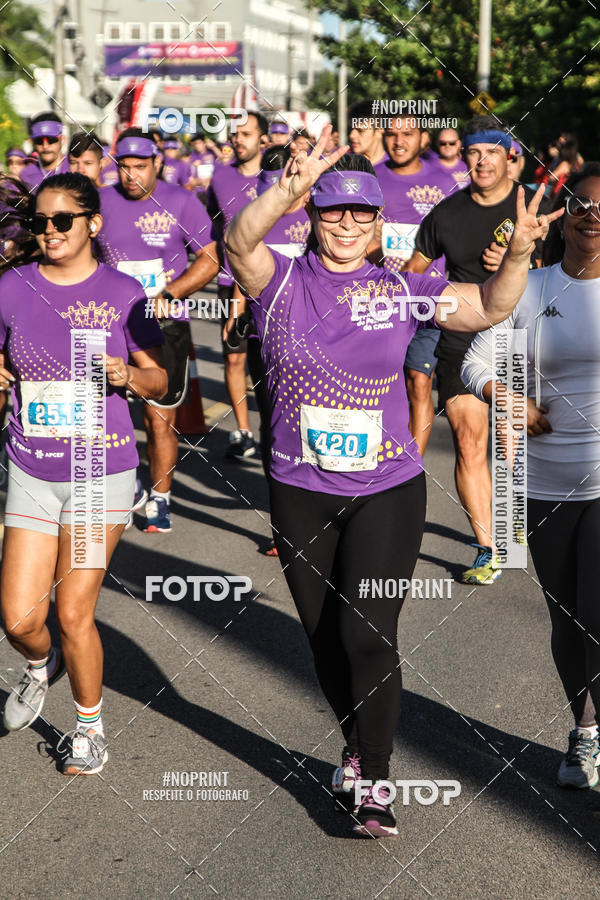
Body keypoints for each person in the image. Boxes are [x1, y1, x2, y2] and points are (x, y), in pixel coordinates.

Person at [225, 126, 556, 837]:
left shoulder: (404, 290)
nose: (346, 224)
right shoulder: (279, 281)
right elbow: (237, 246)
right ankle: (354, 745)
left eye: (361, 214)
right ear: (314, 220)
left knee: (366, 632)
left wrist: (521, 253)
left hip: (386, 489)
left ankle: (373, 777)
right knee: (321, 639)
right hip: (299, 486)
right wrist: (285, 189)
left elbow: (491, 306)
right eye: (332, 212)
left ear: (380, 225)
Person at [0, 172, 166, 774]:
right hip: (29, 467)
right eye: (40, 222)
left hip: (102, 469)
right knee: (20, 618)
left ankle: (89, 731)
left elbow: (160, 380)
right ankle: (40, 666)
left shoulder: (123, 292)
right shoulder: (11, 288)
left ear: (92, 224)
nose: (48, 231)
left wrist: (129, 377)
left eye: (62, 220)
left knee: (72, 611)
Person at [460, 164, 600, 790]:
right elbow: (475, 357)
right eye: (580, 205)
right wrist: (508, 397)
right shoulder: (531, 287)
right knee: (567, 617)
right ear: (560, 219)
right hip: (537, 482)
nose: (592, 215)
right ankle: (585, 734)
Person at [404, 115, 551, 584]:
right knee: (470, 442)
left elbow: (576, 267)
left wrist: (524, 257)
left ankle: (520, 518)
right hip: (462, 337)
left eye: (492, 151)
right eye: (473, 152)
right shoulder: (446, 214)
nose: (482, 161)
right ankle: (489, 547)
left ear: (510, 154)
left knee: (517, 442)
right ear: (463, 156)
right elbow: (416, 273)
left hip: (527, 335)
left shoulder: (535, 206)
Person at [95, 127, 219, 532]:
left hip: (163, 324)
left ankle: (161, 499)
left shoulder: (180, 201)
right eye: (124, 167)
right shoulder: (99, 201)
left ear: (157, 164)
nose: (131, 175)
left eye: (140, 167)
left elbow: (209, 258)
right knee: (105, 414)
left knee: (158, 416)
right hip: (108, 325)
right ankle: (128, 487)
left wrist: (170, 292)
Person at [370, 116, 459, 456]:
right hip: (380, 297)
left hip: (427, 297)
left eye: (407, 134)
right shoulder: (372, 177)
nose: (398, 141)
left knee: (419, 383)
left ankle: (412, 467)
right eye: (391, 134)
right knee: (382, 386)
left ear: (424, 138)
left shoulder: (446, 181)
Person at [206, 110, 268, 459]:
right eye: (235, 133)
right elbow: (215, 225)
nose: (238, 139)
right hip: (230, 282)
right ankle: (243, 432)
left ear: (262, 139)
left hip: (270, 284)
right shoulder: (219, 179)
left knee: (274, 362)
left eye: (246, 133)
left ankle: (274, 427)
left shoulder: (275, 177)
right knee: (233, 359)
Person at [20, 112, 69, 192]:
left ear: (63, 140)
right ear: (33, 143)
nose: (45, 146)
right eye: (39, 141)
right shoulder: (26, 175)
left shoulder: (77, 167)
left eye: (51, 140)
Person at [348, 100, 388, 167]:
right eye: (351, 129)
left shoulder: (395, 167)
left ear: (380, 129)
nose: (352, 135)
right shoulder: (342, 163)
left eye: (361, 131)